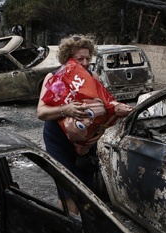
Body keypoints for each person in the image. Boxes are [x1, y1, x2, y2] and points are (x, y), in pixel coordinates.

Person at [37, 35, 133, 213]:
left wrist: (114, 111)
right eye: (80, 59)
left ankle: (87, 226)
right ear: (68, 59)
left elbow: (103, 103)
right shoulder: (55, 78)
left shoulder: (92, 75)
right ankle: (70, 226)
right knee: (67, 186)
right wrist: (66, 109)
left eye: (88, 58)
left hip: (85, 141)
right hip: (58, 139)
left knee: (86, 184)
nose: (85, 63)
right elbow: (41, 112)